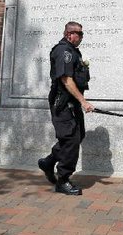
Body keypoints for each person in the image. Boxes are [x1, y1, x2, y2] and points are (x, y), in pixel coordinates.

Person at [38, 21, 94, 195]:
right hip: (62, 103)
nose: (82, 37)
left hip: (72, 103)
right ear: (69, 34)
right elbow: (66, 80)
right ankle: (63, 180)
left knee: (77, 136)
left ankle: (49, 162)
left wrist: (79, 101)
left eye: (82, 34)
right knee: (70, 140)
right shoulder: (63, 51)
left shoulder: (73, 52)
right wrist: (83, 101)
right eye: (80, 34)